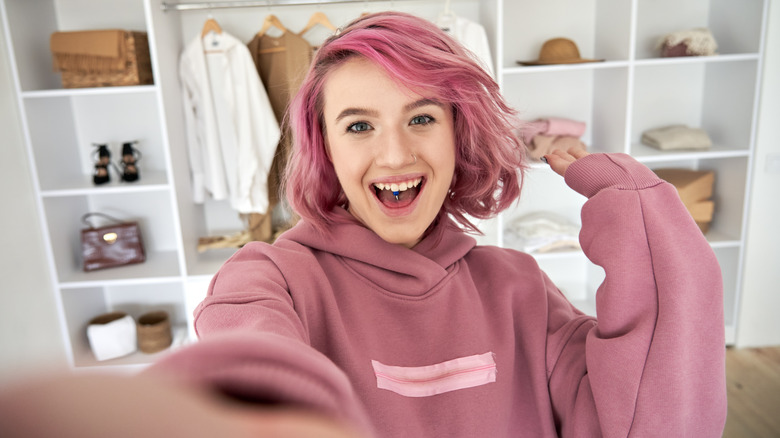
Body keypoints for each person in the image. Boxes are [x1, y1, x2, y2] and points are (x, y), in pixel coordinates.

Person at [0, 11, 726, 438]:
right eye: (358, 125)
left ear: (457, 134)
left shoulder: (521, 288)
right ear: (324, 149)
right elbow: (252, 367)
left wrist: (631, 199)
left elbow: (650, 420)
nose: (395, 153)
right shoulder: (272, 276)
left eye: (421, 117)